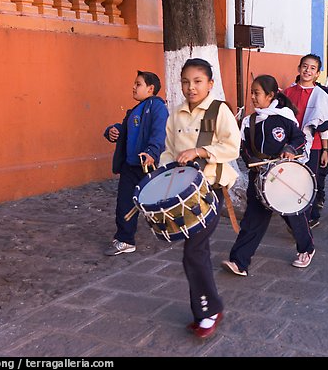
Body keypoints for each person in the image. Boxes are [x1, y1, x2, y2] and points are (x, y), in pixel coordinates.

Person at [159, 58, 241, 338]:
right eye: (185, 81)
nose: (190, 88)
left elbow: (232, 146)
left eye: (197, 82)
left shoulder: (218, 111)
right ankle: (206, 309)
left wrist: (200, 152)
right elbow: (169, 152)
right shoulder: (176, 113)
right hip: (185, 194)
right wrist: (163, 177)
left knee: (194, 252)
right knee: (196, 253)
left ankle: (210, 309)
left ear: (210, 84)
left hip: (210, 192)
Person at [221, 74, 312, 277]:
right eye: (251, 93)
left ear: (270, 95)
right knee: (253, 220)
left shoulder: (285, 117)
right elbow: (243, 148)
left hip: (284, 176)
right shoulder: (249, 121)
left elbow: (299, 138)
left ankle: (306, 248)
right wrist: (251, 162)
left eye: (257, 93)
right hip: (260, 177)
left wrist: (289, 148)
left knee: (293, 215)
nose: (253, 97)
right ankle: (239, 262)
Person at [103, 71, 169, 256]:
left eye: (138, 84)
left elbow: (159, 132)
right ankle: (125, 239)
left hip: (147, 165)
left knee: (157, 203)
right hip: (129, 166)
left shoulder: (157, 107)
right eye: (134, 83)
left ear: (150, 88)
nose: (133, 87)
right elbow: (125, 130)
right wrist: (112, 131)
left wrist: (152, 152)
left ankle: (174, 228)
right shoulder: (134, 111)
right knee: (124, 203)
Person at [284, 54, 328, 229]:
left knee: (308, 181)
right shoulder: (287, 93)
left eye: (313, 68)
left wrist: (325, 150)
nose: (308, 70)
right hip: (291, 147)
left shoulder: (321, 96)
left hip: (313, 147)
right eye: (305, 66)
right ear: (299, 68)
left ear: (318, 73)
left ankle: (308, 216)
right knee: (291, 181)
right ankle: (296, 214)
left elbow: (324, 125)